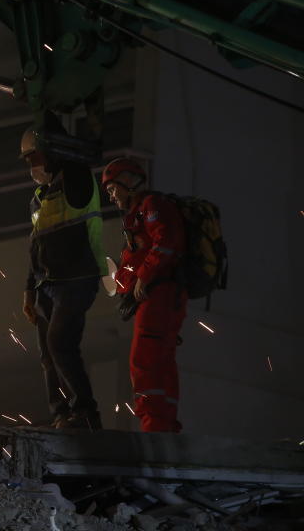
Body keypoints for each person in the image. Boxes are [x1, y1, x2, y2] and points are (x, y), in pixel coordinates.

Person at [20, 117, 106, 429]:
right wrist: (29, 289)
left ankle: (85, 411)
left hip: (77, 279)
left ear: (52, 153)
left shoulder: (77, 180)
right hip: (47, 283)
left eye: (34, 157)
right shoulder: (39, 198)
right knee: (48, 354)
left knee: (60, 343)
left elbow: (77, 158)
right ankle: (62, 415)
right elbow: (35, 246)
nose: (31, 166)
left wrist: (54, 128)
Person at [101, 158, 187, 433]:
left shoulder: (151, 207)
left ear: (128, 180)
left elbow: (166, 242)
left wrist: (144, 276)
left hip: (159, 293)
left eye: (113, 188)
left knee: (145, 359)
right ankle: (163, 424)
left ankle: (154, 427)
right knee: (161, 359)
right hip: (160, 294)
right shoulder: (139, 215)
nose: (112, 196)